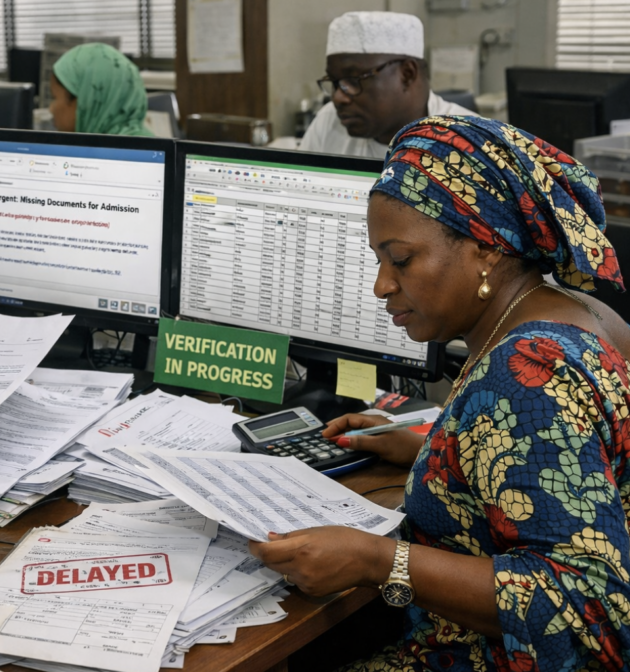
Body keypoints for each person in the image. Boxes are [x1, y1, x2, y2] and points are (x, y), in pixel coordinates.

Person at [251, 116, 630, 670]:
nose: (382, 284)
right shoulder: (577, 311)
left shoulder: (527, 372)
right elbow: (572, 458)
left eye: (400, 259)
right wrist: (438, 449)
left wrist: (378, 561)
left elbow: (589, 611)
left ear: (488, 249)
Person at [299, 11, 476, 159]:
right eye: (335, 83)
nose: (338, 97)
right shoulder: (328, 121)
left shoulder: (472, 143)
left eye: (353, 81)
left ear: (407, 75)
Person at [49, 43, 153, 136]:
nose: (51, 109)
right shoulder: (148, 147)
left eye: (54, 97)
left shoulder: (110, 154)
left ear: (85, 102)